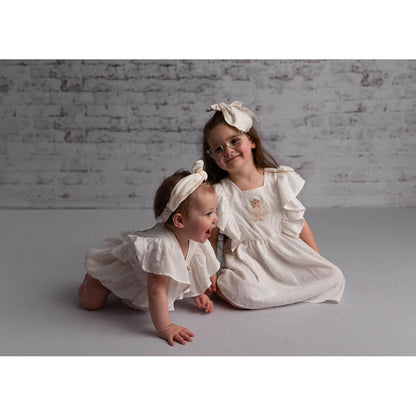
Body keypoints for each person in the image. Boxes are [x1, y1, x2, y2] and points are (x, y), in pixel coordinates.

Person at [202, 101, 345, 309]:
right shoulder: (220, 193)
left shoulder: (278, 180)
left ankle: (275, 294)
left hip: (285, 255)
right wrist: (209, 272)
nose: (228, 150)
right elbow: (211, 238)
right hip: (248, 263)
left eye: (234, 141)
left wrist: (317, 259)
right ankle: (249, 293)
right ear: (212, 156)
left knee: (334, 275)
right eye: (218, 148)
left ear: (251, 141)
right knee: (243, 291)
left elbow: (300, 224)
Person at [78, 160, 220, 346]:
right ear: (179, 221)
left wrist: (196, 292)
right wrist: (165, 327)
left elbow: (187, 268)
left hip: (143, 283)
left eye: (215, 212)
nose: (216, 219)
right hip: (130, 276)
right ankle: (97, 279)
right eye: (208, 214)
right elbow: (156, 291)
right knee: (90, 303)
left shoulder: (193, 238)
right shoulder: (162, 248)